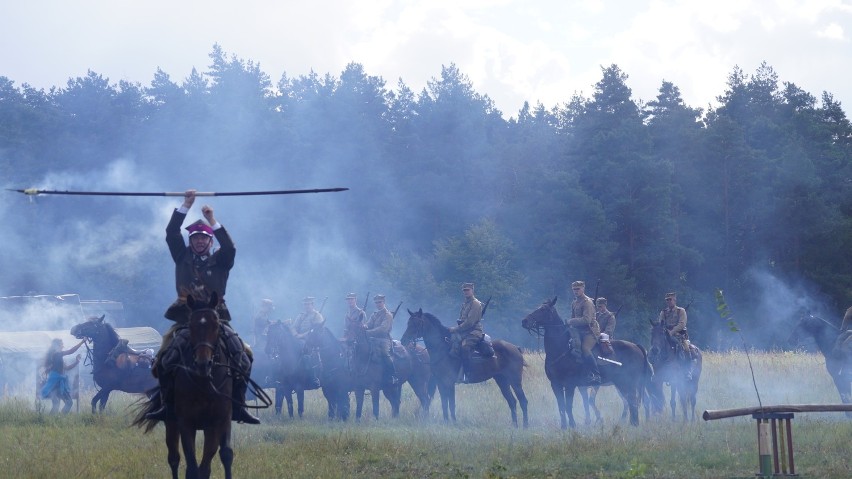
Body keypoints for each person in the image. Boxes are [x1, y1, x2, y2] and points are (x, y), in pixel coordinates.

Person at [147, 189, 259, 424]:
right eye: (195, 238)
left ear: (210, 241)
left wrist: (211, 218)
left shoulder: (221, 261)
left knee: (244, 356)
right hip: (185, 318)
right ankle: (166, 405)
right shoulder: (181, 256)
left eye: (203, 238)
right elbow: (171, 232)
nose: (199, 241)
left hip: (216, 318)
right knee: (164, 358)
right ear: (191, 241)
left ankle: (238, 406)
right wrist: (186, 205)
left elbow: (230, 248)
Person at [654, 292, 696, 380]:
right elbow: (660, 324)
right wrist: (665, 331)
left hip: (679, 336)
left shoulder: (681, 311)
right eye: (667, 300)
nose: (669, 301)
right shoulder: (663, 312)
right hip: (666, 335)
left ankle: (687, 370)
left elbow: (682, 324)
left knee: (686, 349)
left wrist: (672, 332)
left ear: (674, 300)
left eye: (670, 299)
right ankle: (656, 372)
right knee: (655, 349)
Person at [566, 281, 602, 384]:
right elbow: (573, 317)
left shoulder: (587, 302)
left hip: (590, 331)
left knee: (585, 349)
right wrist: (569, 324)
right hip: (578, 330)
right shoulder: (574, 302)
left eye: (578, 289)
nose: (576, 291)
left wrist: (571, 321)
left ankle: (596, 374)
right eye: (574, 289)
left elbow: (587, 320)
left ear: (583, 289)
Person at [449, 282, 484, 383]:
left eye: (467, 290)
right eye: (464, 290)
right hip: (464, 331)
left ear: (472, 290)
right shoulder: (465, 304)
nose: (466, 292)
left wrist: (456, 329)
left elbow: (470, 322)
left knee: (465, 348)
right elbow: (461, 319)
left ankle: (467, 375)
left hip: (474, 332)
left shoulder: (476, 304)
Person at [40, 338, 86, 414]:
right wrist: (82, 342)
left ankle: (57, 419)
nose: (63, 345)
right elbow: (71, 351)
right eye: (61, 344)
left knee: (61, 403)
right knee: (63, 403)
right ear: (57, 345)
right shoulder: (56, 354)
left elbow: (66, 368)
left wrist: (76, 362)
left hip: (58, 383)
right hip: (55, 384)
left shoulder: (57, 356)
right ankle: (56, 419)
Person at [365, 294, 398, 385]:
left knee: (385, 353)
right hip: (372, 339)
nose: (378, 304)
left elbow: (383, 329)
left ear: (384, 302)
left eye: (380, 302)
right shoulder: (374, 314)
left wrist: (369, 332)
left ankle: (393, 375)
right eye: (376, 303)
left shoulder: (388, 315)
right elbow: (369, 324)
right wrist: (364, 326)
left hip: (384, 339)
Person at [293, 296, 325, 388]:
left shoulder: (317, 315)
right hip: (299, 339)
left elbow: (317, 330)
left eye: (308, 304)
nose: (306, 306)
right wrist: (296, 335)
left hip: (311, 341)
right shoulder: (301, 315)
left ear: (312, 304)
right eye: (305, 304)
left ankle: (314, 377)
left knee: (307, 357)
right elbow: (294, 327)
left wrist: (303, 335)